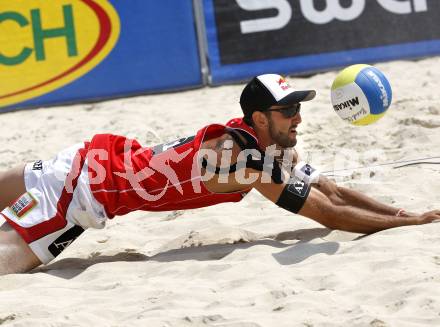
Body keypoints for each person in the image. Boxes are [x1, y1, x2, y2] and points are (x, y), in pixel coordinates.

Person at [0, 73, 439, 275]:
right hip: (77, 198)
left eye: (299, 108)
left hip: (87, 157)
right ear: (259, 117)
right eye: (288, 110)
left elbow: (331, 189)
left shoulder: (264, 145)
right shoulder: (245, 161)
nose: (298, 118)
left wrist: (403, 212)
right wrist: (406, 224)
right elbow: (327, 213)